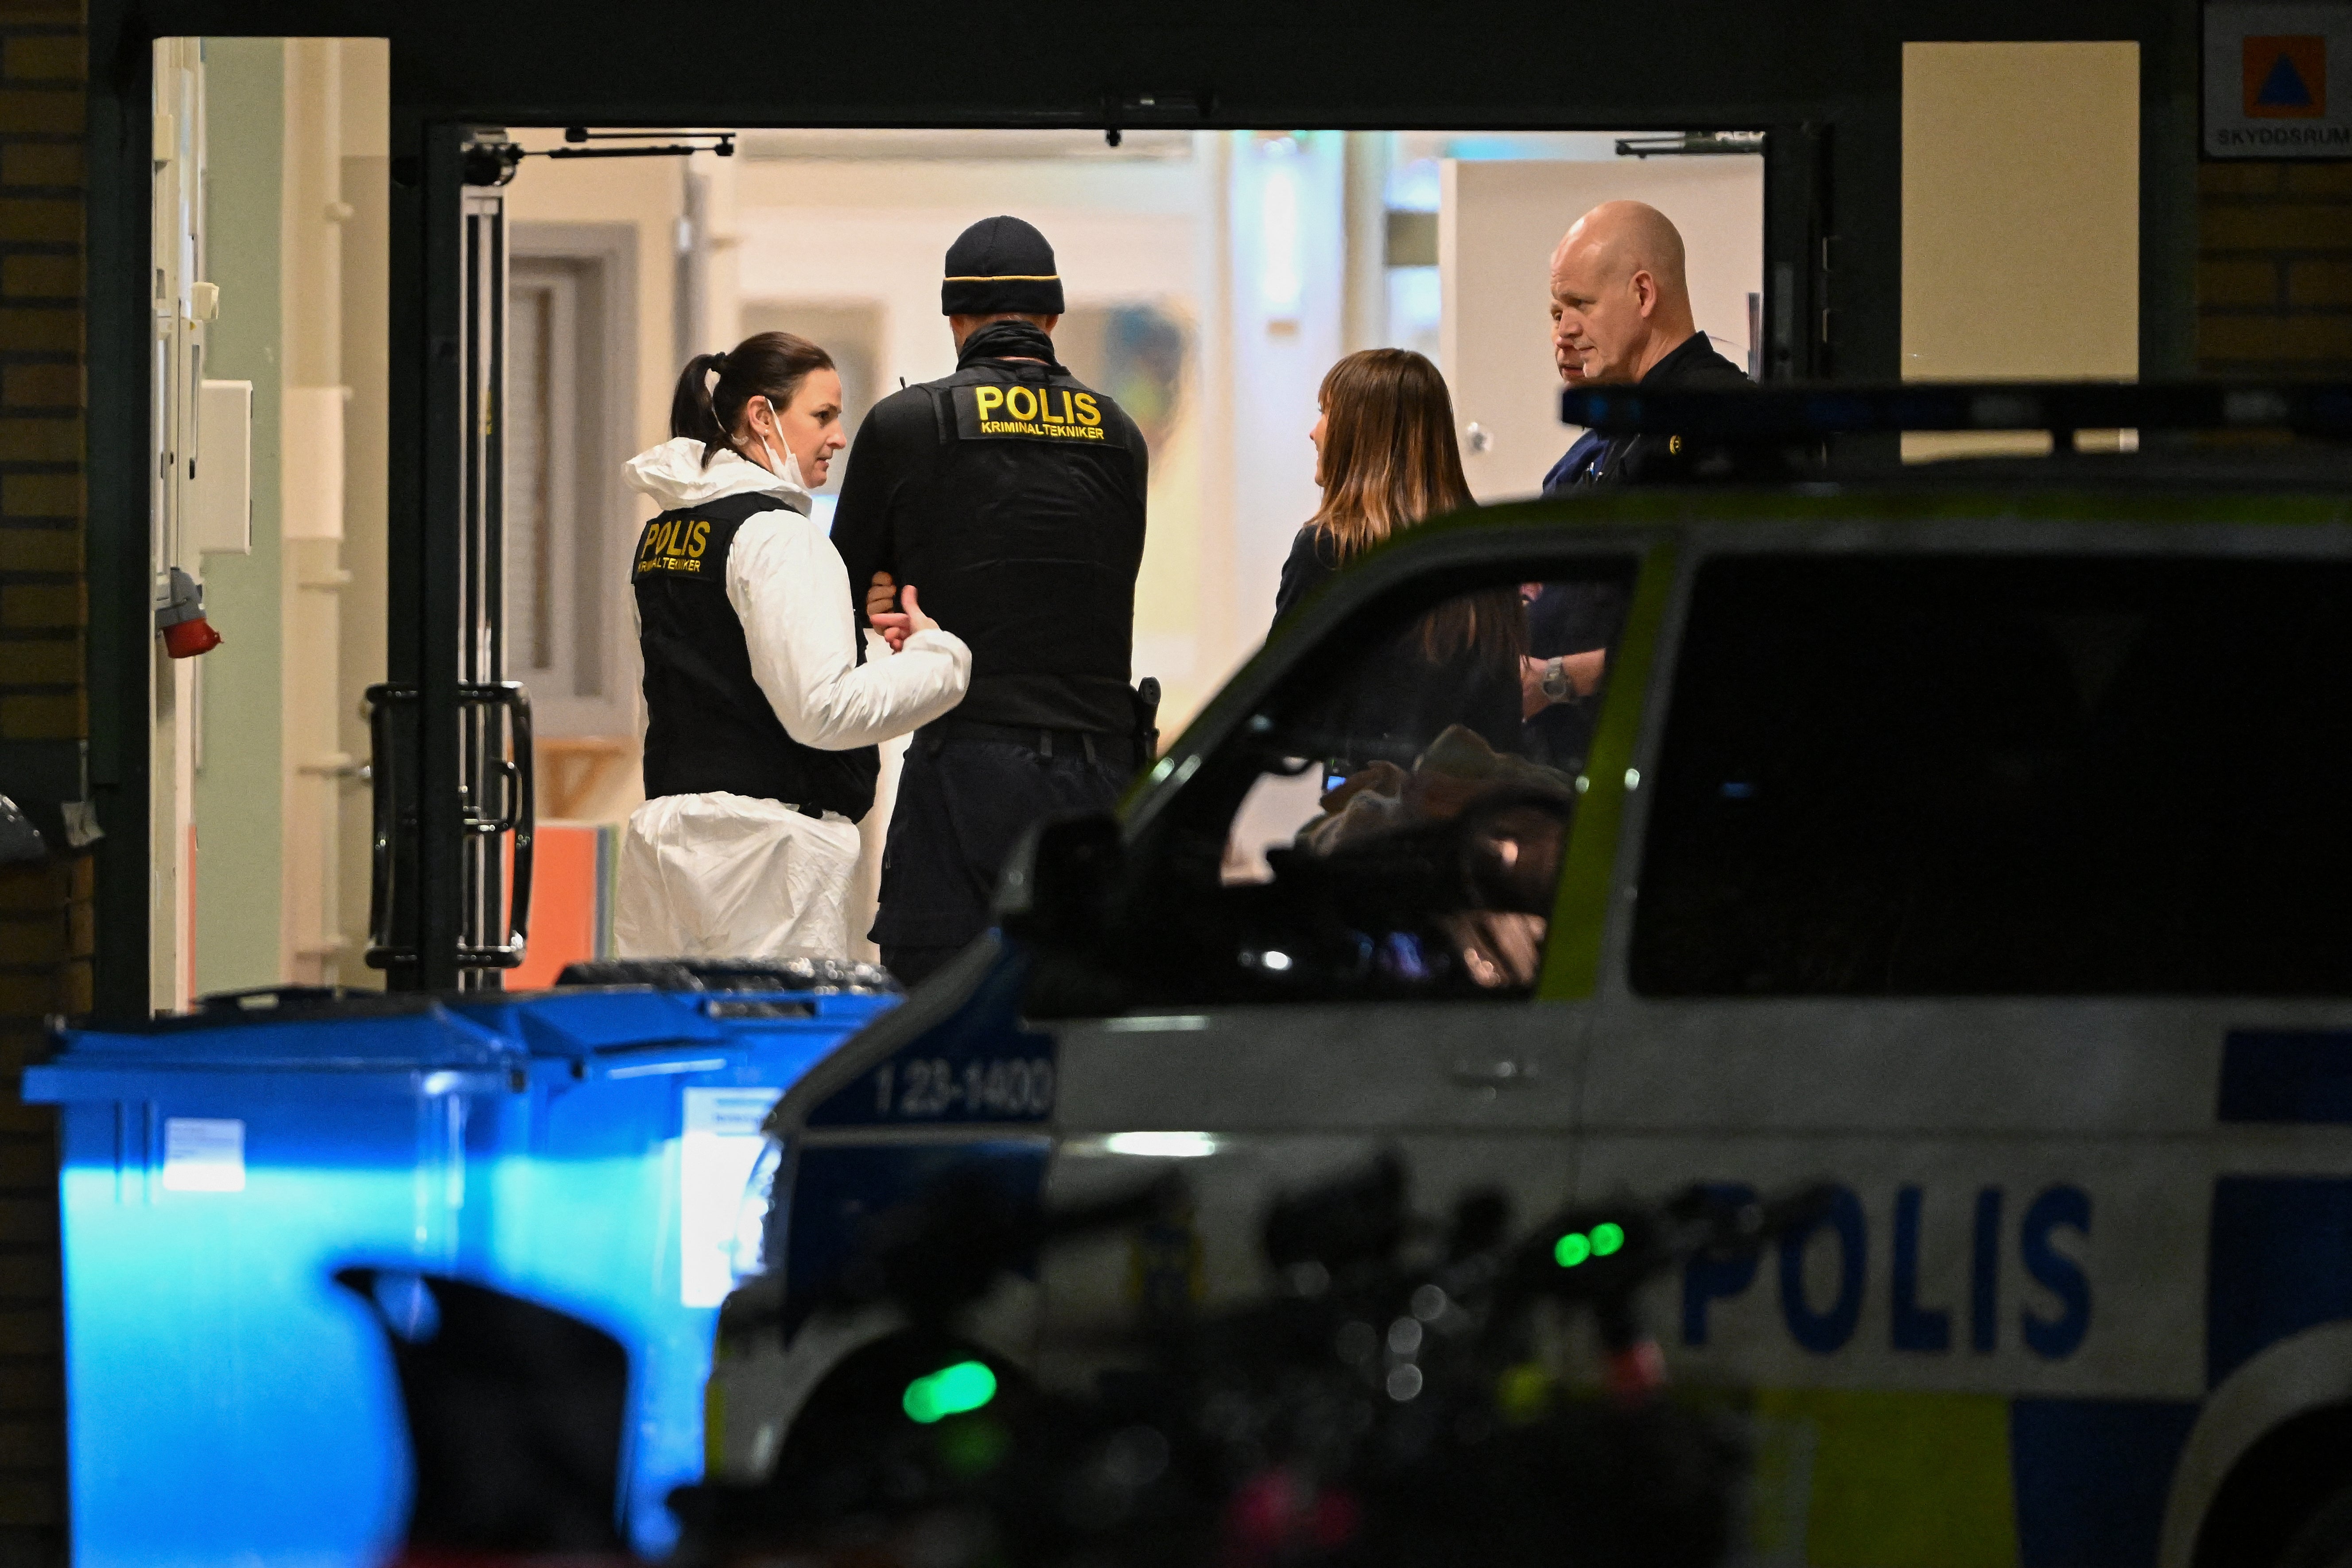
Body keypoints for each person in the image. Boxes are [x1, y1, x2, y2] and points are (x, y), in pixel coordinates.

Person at [830, 216, 1151, 986]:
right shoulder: (1121, 434)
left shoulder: (909, 425)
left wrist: (898, 585)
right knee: (1075, 1012)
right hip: (1099, 779)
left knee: (933, 1018)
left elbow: (838, 592)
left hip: (965, 769)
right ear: (1051, 320)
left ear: (956, 323)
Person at [615, 332, 972, 963]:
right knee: (777, 1056)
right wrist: (938, 660)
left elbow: (724, 680)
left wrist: (857, 641)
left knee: (673, 1049)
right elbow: (822, 713)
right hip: (766, 863)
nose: (838, 437)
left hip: (668, 849)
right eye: (823, 415)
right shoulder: (780, 537)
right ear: (761, 416)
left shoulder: (664, 537)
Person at [1273, 347, 1524, 764]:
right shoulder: (1484, 551)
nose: (1314, 432)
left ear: (1361, 433)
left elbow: (1285, 710)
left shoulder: (1328, 552)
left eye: (1326, 413)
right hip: (1475, 812)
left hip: (1372, 814)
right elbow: (1501, 723)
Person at [1547, 198, 1751, 486]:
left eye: (1580, 304)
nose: (1564, 331)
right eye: (1559, 313)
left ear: (1643, 294)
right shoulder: (1634, 423)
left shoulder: (1722, 424)